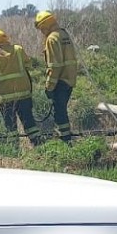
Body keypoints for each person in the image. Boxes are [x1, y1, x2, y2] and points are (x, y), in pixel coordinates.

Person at [0, 29, 41, 146]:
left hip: (5, 99)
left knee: (11, 126)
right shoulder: (18, 50)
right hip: (23, 94)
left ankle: (14, 149)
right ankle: (38, 144)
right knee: (29, 122)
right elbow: (28, 64)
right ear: (5, 38)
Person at [34, 10, 77, 143]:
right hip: (70, 79)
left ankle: (66, 140)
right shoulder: (64, 34)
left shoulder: (52, 38)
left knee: (59, 112)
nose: (41, 31)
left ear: (45, 25)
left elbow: (55, 65)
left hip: (60, 80)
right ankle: (66, 137)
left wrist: (49, 86)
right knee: (61, 110)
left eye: (41, 28)